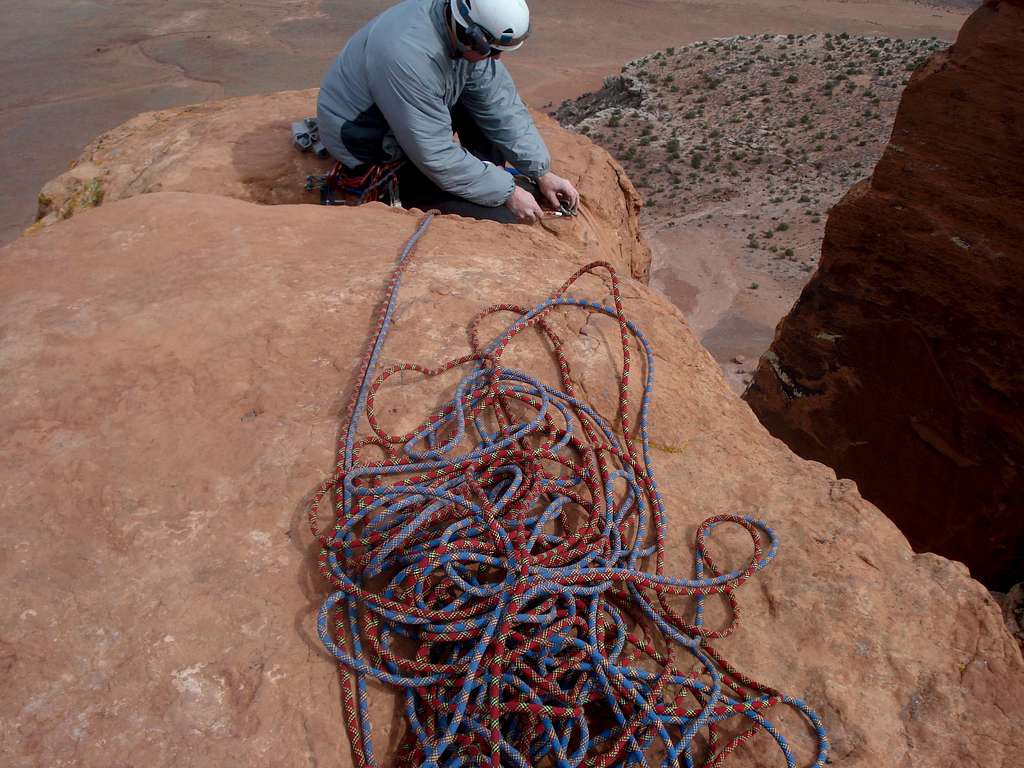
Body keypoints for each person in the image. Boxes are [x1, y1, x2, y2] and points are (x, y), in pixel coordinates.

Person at [316, 0, 579, 223]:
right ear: (468, 33)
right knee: (502, 217)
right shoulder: (406, 56)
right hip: (368, 139)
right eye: (492, 49)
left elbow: (499, 103)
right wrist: (506, 193)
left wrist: (541, 172)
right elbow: (434, 153)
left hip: (406, 111)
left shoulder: (460, 33)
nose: (497, 58)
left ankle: (480, 179)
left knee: (483, 111)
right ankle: (412, 191)